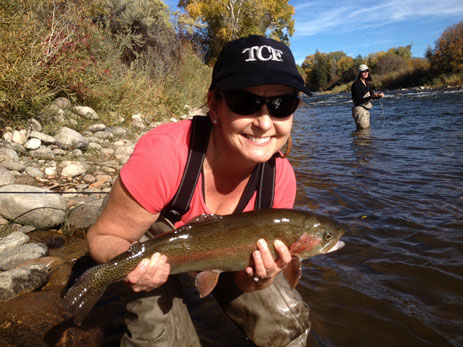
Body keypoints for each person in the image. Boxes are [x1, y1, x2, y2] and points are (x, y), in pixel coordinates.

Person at [86, 34, 313, 346]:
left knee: (288, 322)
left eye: (280, 105)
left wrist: (255, 279)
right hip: (157, 248)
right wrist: (130, 268)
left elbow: (247, 282)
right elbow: (102, 238)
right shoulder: (164, 154)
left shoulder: (280, 179)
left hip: (227, 253)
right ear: (215, 106)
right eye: (245, 102)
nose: (264, 122)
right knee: (161, 340)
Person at [350, 64, 384, 129]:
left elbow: (371, 95)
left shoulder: (367, 83)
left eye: (367, 71)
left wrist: (378, 96)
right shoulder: (356, 85)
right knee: (363, 131)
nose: (366, 73)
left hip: (366, 110)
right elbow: (358, 100)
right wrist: (371, 97)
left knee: (366, 131)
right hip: (359, 110)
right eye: (363, 71)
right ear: (360, 73)